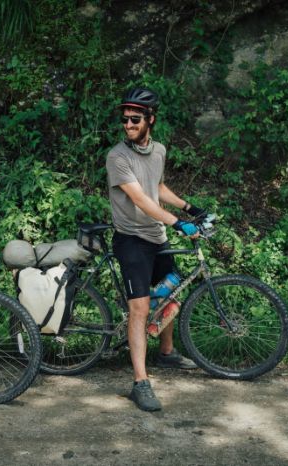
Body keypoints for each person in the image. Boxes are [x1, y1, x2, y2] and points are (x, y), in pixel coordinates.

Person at [106, 88, 207, 412]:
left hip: (156, 235)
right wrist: (179, 223)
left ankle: (166, 353)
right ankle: (140, 382)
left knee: (171, 289)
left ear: (151, 119)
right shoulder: (118, 157)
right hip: (131, 239)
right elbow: (140, 199)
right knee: (140, 308)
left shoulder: (159, 150)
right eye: (124, 119)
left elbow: (158, 187)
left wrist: (190, 207)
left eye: (135, 119)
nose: (128, 125)